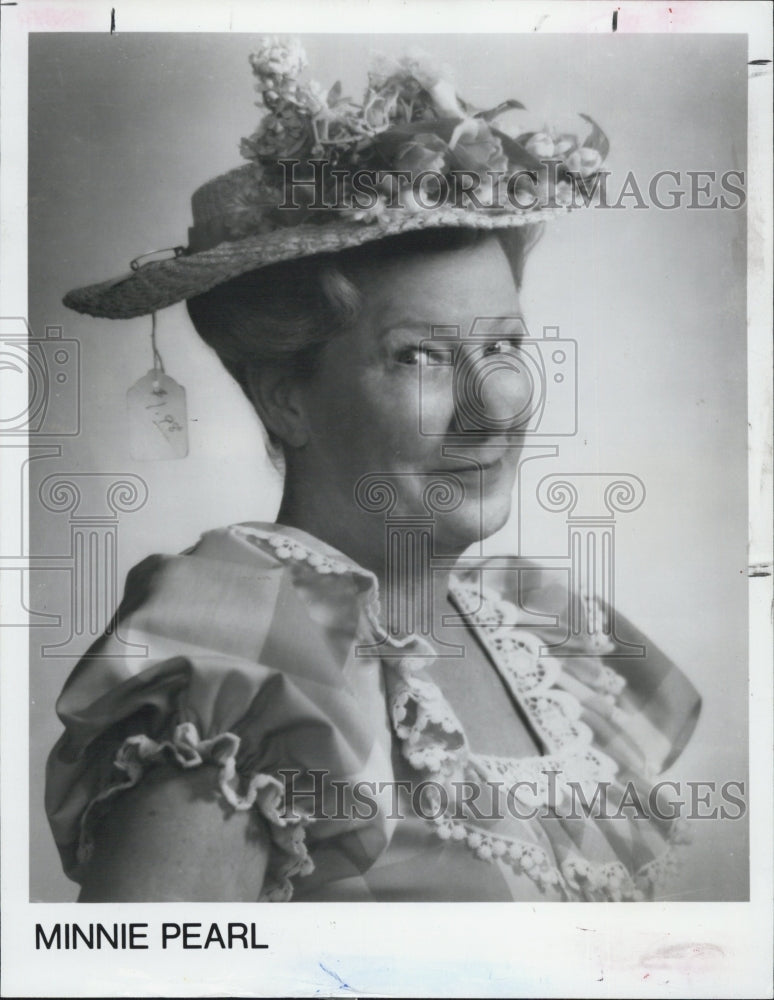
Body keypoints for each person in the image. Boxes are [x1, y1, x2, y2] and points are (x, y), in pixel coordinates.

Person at [45, 38, 700, 902]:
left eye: (504, 345)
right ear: (285, 398)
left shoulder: (550, 632)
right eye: (423, 357)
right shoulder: (240, 663)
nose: (495, 404)